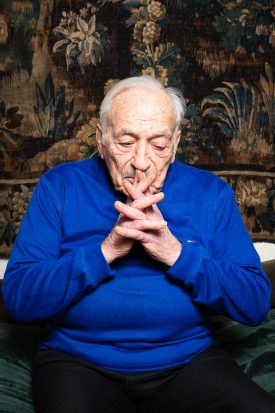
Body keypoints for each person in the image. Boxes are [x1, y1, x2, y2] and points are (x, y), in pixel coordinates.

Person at [3, 76, 275, 413]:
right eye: (126, 142)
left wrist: (175, 253)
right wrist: (107, 250)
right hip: (77, 361)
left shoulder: (211, 193)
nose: (141, 162)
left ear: (176, 143)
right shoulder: (59, 186)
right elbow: (18, 299)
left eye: (159, 145)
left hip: (188, 360)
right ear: (101, 141)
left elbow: (254, 304)